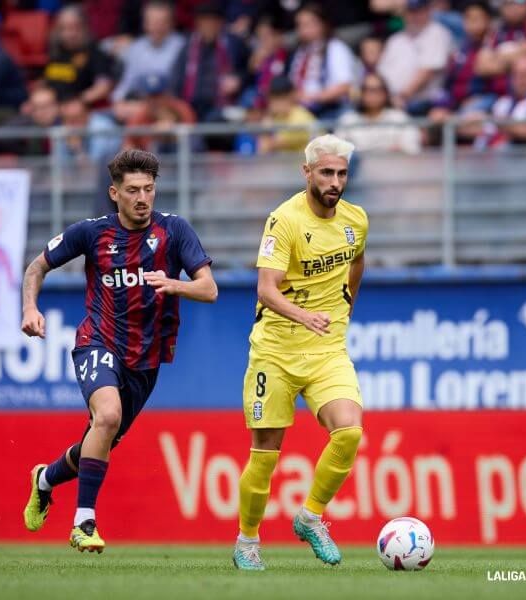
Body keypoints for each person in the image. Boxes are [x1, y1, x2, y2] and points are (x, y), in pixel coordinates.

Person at [20, 148, 218, 553]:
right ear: (114, 193)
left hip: (145, 360)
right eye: (133, 190)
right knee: (107, 415)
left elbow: (209, 288)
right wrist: (29, 308)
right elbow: (36, 266)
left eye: (149, 189)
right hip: (98, 340)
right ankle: (84, 522)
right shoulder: (92, 233)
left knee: (101, 437)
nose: (142, 197)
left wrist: (174, 284)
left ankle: (44, 479)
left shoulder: (174, 231)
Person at [233, 134, 368, 571]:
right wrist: (304, 315)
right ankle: (248, 541)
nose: (335, 181)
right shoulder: (284, 221)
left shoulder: (356, 219)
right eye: (326, 172)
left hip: (327, 350)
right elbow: (266, 289)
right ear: (306, 172)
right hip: (275, 351)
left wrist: (346, 302)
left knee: (348, 431)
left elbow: (358, 259)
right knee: (265, 453)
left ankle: (310, 518)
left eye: (341, 173)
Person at [377, 0, 453, 115]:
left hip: (421, 101)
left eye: (419, 10)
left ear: (428, 10)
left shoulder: (436, 33)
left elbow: (427, 72)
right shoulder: (396, 39)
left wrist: (401, 97)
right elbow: (380, 73)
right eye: (411, 11)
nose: (415, 15)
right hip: (391, 100)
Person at [287, 4, 356, 119]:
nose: (302, 29)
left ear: (322, 24)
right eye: (299, 25)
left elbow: (344, 86)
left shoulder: (336, 48)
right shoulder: (299, 52)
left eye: (307, 24)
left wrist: (313, 97)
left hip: (331, 109)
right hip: (301, 109)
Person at [111, 0, 186, 101]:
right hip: (137, 102)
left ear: (172, 23)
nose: (157, 27)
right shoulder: (136, 48)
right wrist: (118, 101)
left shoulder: (182, 47)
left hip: (169, 104)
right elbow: (127, 84)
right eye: (152, 22)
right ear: (145, 24)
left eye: (162, 22)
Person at [43, 5, 116, 105]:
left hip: (84, 112)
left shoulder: (96, 54)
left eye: (75, 27)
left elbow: (103, 87)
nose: (70, 34)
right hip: (53, 109)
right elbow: (47, 83)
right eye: (64, 28)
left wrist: (77, 102)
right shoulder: (56, 52)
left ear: (85, 27)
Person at [336, 73, 421, 154]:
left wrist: (400, 151)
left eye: (377, 89)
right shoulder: (348, 121)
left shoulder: (400, 119)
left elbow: (413, 149)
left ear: (385, 93)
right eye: (367, 89)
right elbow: (338, 153)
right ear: (361, 93)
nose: (372, 94)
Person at [258, 75, 319, 154]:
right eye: (273, 97)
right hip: (295, 163)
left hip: (310, 164)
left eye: (280, 97)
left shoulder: (300, 118)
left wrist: (266, 125)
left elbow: (265, 148)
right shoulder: (279, 116)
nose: (275, 103)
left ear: (291, 95)